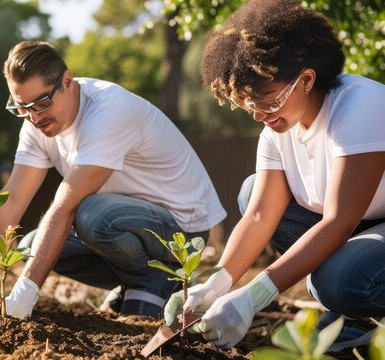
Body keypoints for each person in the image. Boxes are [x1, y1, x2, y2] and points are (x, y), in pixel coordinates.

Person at [0, 40, 226, 318]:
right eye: (22, 107)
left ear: (67, 80)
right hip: (131, 225)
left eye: (42, 103)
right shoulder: (35, 123)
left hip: (183, 232)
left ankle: (151, 282)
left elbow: (65, 205)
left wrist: (23, 295)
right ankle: (138, 281)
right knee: (31, 246)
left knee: (91, 213)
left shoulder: (109, 111)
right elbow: (13, 199)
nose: (34, 117)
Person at [163, 0, 385, 351]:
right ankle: (353, 314)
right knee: (251, 192)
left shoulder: (359, 107)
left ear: (307, 80)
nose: (257, 114)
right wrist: (216, 283)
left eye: (266, 99)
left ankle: (355, 303)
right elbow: (261, 214)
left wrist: (253, 296)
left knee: (338, 281)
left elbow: (340, 221)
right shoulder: (277, 131)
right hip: (362, 225)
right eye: (246, 102)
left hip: (361, 222)